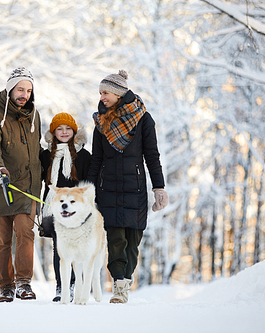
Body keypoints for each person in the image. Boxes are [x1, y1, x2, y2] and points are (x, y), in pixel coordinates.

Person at [87, 70, 169, 304]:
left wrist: (159, 187)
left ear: (118, 93)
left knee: (133, 240)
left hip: (135, 188)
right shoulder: (100, 121)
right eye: (100, 93)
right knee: (115, 240)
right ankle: (119, 287)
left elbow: (152, 155)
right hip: (108, 189)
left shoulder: (143, 119)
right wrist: (89, 191)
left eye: (105, 93)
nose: (102, 97)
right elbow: (96, 160)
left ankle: (126, 280)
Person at [0, 67, 42, 303]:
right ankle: (6, 286)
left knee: (26, 232)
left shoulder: (34, 116)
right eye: (20, 89)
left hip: (26, 188)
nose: (24, 94)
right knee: (2, 240)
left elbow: (36, 152)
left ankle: (24, 282)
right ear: (10, 89)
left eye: (28, 90)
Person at [40, 112, 92, 302]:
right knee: (59, 248)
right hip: (54, 208)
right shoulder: (46, 155)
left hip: (76, 210)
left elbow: (88, 184)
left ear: (74, 131)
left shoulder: (84, 155)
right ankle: (62, 287)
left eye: (68, 128)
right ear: (53, 133)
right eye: (59, 129)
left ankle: (77, 284)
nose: (63, 132)